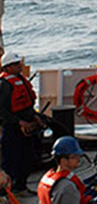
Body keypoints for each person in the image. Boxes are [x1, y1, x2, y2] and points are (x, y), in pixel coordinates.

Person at [0, 51, 43, 195]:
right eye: (15, 64)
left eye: (19, 63)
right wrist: (19, 122)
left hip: (28, 126)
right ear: (7, 67)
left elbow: (27, 104)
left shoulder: (21, 80)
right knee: (11, 160)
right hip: (12, 128)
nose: (19, 66)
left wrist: (34, 117)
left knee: (27, 158)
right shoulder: (4, 85)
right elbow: (2, 110)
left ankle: (21, 187)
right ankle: (7, 192)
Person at [36, 136, 91, 204]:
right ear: (63, 161)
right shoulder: (67, 187)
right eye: (74, 157)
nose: (78, 159)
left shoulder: (47, 177)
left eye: (78, 155)